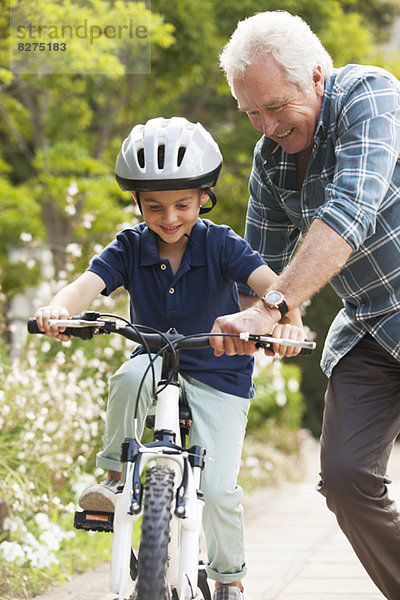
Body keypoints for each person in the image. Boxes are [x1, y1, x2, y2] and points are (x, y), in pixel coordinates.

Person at [35, 116, 305, 600]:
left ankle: (228, 577)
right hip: (156, 362)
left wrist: (285, 317)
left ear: (204, 196)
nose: (170, 218)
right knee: (127, 375)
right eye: (154, 206)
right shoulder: (129, 246)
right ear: (137, 202)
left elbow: (272, 286)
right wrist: (60, 308)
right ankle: (115, 479)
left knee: (220, 490)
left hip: (220, 372)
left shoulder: (222, 243)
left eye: (183, 204)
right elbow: (85, 287)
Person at [213, 10, 400, 600]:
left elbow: (351, 208)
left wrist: (274, 305)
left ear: (316, 77)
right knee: (345, 477)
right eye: (252, 113)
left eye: (275, 107)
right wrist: (238, 326)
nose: (265, 125)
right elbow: (254, 266)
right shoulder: (271, 162)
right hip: (372, 324)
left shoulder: (370, 96)